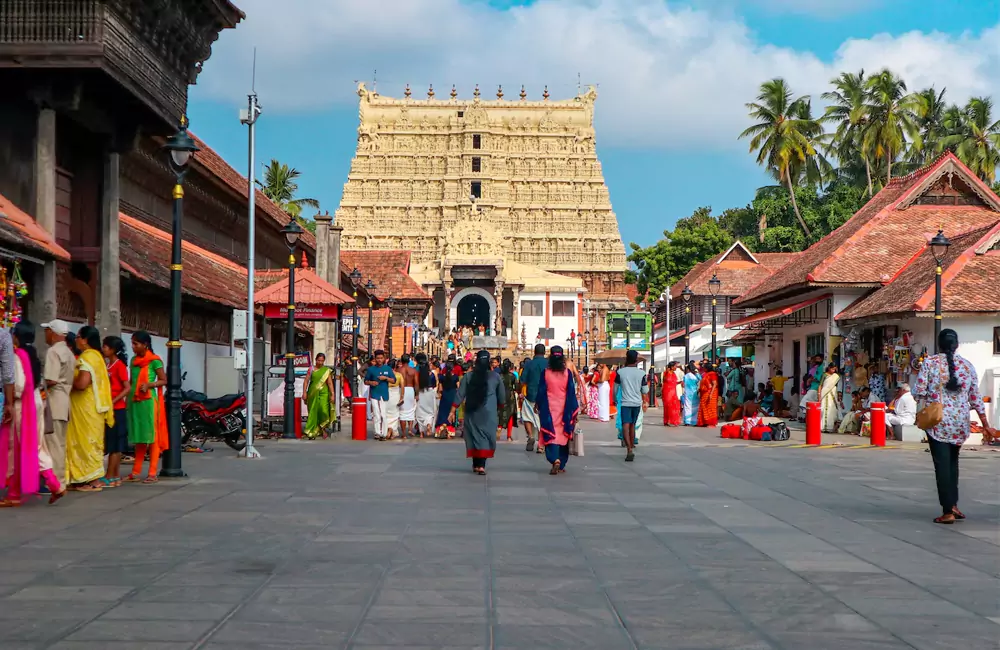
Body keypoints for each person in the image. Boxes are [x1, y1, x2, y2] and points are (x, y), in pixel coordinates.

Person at [915, 329, 995, 524]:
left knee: (942, 466)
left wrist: (931, 397)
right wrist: (986, 425)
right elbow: (975, 398)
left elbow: (918, 391)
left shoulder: (930, 363)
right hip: (960, 423)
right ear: (957, 345)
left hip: (938, 421)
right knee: (953, 463)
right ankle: (953, 504)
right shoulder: (967, 366)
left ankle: (947, 511)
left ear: (939, 344)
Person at [1, 321, 64, 507]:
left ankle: (17, 492)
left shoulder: (18, 355)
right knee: (35, 445)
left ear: (16, 336)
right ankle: (51, 484)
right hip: (35, 401)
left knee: (19, 447)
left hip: (22, 405)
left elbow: (18, 385)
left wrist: (9, 401)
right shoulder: (32, 355)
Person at [66, 326, 113, 491]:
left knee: (84, 443)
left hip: (86, 408)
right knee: (91, 443)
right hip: (93, 408)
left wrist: (65, 381)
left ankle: (91, 480)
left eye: (78, 337)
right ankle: (84, 479)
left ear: (85, 340)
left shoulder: (87, 357)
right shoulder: (98, 356)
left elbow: (82, 384)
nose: (76, 340)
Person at [449, 350, 504, 475]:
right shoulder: (495, 377)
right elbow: (501, 396)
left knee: (474, 436)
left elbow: (460, 394)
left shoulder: (468, 376)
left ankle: (476, 464)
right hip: (489, 412)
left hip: (472, 411)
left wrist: (452, 411)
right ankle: (481, 465)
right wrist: (500, 407)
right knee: (485, 436)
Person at [125, 331, 167, 483]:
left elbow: (164, 380)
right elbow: (131, 382)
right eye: (132, 343)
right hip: (135, 401)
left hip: (149, 402)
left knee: (152, 437)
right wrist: (126, 399)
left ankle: (152, 473)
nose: (133, 346)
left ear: (145, 345)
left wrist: (150, 384)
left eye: (135, 343)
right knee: (139, 436)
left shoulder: (155, 361)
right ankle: (135, 472)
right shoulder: (133, 360)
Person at [535, 346, 580, 474]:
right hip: (564, 409)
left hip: (548, 409)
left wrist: (537, 404)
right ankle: (561, 461)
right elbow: (571, 392)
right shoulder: (567, 373)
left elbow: (541, 390)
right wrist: (574, 411)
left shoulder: (546, 372)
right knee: (563, 435)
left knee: (550, 434)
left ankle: (555, 459)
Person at [42, 319, 74, 486]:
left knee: (52, 445)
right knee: (59, 445)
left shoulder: (53, 351)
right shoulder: (68, 352)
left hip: (54, 402)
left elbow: (51, 379)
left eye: (47, 330)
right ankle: (60, 481)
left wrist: (39, 385)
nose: (45, 334)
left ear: (53, 333)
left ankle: (55, 483)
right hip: (64, 402)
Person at [101, 336, 130, 487]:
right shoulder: (108, 365)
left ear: (112, 349)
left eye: (105, 347)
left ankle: (110, 475)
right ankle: (115, 475)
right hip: (110, 408)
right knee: (113, 443)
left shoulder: (119, 366)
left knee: (115, 444)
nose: (103, 349)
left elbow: (127, 387)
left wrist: (113, 401)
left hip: (117, 409)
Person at [614, 349, 648, 462]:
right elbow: (645, 389)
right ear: (637, 360)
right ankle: (631, 445)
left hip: (625, 402)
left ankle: (628, 448)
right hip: (636, 402)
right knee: (633, 424)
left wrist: (615, 399)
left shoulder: (620, 372)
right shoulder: (641, 373)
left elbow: (615, 389)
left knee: (625, 424)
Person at [519, 343, 547, 451]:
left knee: (527, 417)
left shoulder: (529, 364)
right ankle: (541, 444)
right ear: (544, 352)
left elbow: (522, 380)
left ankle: (530, 436)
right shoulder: (548, 363)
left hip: (531, 393)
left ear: (534, 352)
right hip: (545, 395)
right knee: (542, 419)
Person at [303, 353, 335, 440]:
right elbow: (306, 381)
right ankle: (311, 431)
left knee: (323, 410)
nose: (320, 362)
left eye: (322, 361)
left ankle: (322, 428)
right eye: (318, 360)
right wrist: (304, 393)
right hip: (312, 393)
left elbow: (329, 383)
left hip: (324, 393)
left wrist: (332, 394)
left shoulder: (326, 370)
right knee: (313, 411)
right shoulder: (311, 369)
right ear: (315, 360)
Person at [364, 350, 394, 441]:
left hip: (384, 394)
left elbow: (393, 380)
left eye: (381, 358)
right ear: (375, 359)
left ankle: (384, 433)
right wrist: (371, 382)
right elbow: (365, 381)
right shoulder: (371, 369)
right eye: (378, 358)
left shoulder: (388, 369)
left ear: (384, 358)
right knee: (376, 414)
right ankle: (377, 432)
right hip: (374, 394)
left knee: (383, 414)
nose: (379, 360)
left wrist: (386, 378)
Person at [434, 361, 459, 438]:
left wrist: (439, 394)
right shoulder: (455, 377)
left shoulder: (441, 376)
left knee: (443, 412)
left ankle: (441, 428)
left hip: (445, 396)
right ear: (452, 368)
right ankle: (450, 431)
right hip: (453, 396)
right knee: (451, 412)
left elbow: (440, 389)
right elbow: (458, 387)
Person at [414, 353, 437, 437]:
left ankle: (421, 432)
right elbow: (434, 385)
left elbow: (415, 383)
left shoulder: (416, 370)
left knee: (420, 412)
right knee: (430, 412)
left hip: (420, 392)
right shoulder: (431, 373)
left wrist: (416, 394)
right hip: (430, 392)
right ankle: (429, 425)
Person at [497, 359, 518, 442]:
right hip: (510, 396)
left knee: (500, 413)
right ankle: (509, 436)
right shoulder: (512, 376)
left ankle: (499, 427)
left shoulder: (498, 376)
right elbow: (516, 387)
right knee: (510, 414)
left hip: (500, 395)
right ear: (510, 367)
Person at [399, 353, 418, 437]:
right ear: (409, 360)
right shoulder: (413, 371)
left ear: (401, 361)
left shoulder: (398, 370)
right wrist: (416, 394)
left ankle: (403, 433)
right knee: (410, 411)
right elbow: (416, 383)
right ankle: (410, 429)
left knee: (402, 411)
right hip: (410, 390)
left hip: (401, 390)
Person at [819, 363, 841, 433]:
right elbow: (820, 385)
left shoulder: (835, 376)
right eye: (832, 369)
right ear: (829, 368)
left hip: (833, 395)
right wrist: (819, 395)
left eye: (835, 369)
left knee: (832, 410)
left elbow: (836, 387)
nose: (833, 371)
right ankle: (823, 427)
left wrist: (839, 397)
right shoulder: (824, 375)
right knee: (824, 409)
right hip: (825, 394)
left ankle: (830, 427)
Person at [385, 359, 404, 440]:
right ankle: (393, 430)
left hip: (386, 394)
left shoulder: (385, 375)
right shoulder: (399, 375)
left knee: (386, 413)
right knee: (395, 414)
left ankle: (387, 429)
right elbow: (402, 387)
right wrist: (401, 397)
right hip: (396, 395)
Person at [662, 361, 682, 426]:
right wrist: (667, 372)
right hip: (667, 392)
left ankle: (674, 421)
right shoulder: (666, 373)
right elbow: (664, 380)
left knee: (674, 406)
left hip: (673, 392)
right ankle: (667, 421)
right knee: (668, 406)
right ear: (672, 367)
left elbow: (674, 382)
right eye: (675, 366)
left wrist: (680, 382)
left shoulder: (674, 373)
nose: (676, 367)